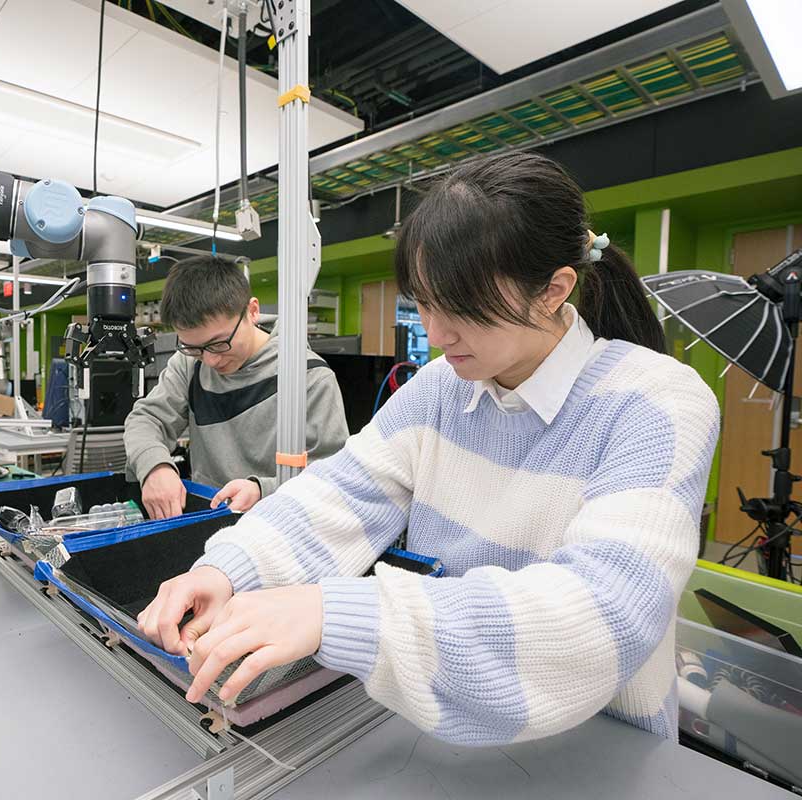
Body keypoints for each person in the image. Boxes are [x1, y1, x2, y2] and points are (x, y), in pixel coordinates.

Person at [137, 152, 719, 746]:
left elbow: (602, 615)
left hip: (598, 746)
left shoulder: (655, 402)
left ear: (553, 291)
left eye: (462, 308)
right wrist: (225, 569)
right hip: (451, 721)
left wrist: (337, 613)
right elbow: (339, 493)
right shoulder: (443, 387)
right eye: (425, 302)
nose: (436, 335)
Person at [124, 256, 349, 520]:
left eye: (219, 343)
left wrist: (262, 490)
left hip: (280, 526)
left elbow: (334, 474)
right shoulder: (188, 364)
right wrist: (155, 466)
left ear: (252, 312)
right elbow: (146, 419)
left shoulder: (308, 376)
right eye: (194, 347)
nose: (210, 360)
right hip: (208, 523)